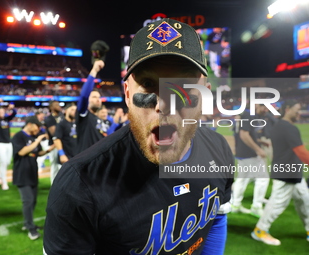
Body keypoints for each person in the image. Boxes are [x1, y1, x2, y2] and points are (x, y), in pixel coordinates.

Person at [44, 18, 233, 255]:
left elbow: (217, 220)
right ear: (127, 94)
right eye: (147, 83)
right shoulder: (77, 186)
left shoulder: (219, 149)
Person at [251, 100, 309, 245]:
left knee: (305, 202)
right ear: (288, 109)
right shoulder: (289, 128)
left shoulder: (278, 126)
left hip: (292, 172)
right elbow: (302, 153)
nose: (299, 113)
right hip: (287, 174)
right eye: (297, 109)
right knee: (277, 204)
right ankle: (260, 231)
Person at [12, 116, 55, 240]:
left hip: (32, 173)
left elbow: (37, 153)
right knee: (28, 201)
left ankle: (28, 223)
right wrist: (38, 140)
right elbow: (21, 152)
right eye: (37, 126)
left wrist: (48, 150)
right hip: (21, 174)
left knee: (33, 201)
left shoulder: (33, 137)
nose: (39, 129)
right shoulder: (19, 136)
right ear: (30, 124)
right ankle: (31, 229)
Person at [231, 104, 270, 217]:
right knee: (263, 179)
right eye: (264, 107)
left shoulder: (247, 114)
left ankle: (235, 205)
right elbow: (244, 135)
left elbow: (246, 134)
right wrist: (258, 149)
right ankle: (256, 207)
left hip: (242, 153)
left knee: (242, 180)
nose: (266, 110)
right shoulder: (249, 114)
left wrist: (260, 142)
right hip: (249, 154)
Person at [75, 60, 106, 153]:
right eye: (94, 97)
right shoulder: (84, 115)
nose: (98, 99)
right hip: (87, 163)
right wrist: (94, 70)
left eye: (99, 97)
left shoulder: (99, 119)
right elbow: (84, 96)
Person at [0, 99, 17, 190]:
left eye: (3, 111)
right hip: (0, 144)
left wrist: (12, 109)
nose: (2, 112)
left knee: (7, 162)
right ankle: (4, 183)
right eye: (0, 111)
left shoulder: (6, 119)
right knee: (3, 162)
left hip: (8, 143)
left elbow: (14, 114)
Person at [52, 103, 78, 169]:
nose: (74, 111)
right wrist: (62, 154)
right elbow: (57, 139)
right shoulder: (61, 123)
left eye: (75, 110)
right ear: (66, 111)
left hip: (76, 155)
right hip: (66, 157)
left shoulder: (78, 123)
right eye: (72, 109)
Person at [44, 101, 63, 184]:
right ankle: (53, 185)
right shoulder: (49, 119)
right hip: (54, 145)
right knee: (55, 166)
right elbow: (54, 133)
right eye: (56, 105)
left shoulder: (62, 116)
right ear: (51, 108)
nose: (58, 106)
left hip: (64, 144)